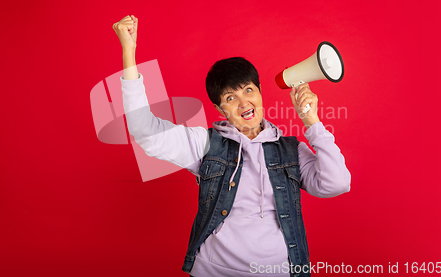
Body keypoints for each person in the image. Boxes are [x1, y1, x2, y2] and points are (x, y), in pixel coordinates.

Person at [113, 15, 351, 277]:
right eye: (230, 97)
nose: (243, 102)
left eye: (248, 90)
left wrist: (312, 122)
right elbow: (143, 129)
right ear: (219, 108)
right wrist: (129, 50)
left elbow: (336, 183)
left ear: (260, 91)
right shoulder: (205, 145)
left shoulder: (290, 150)